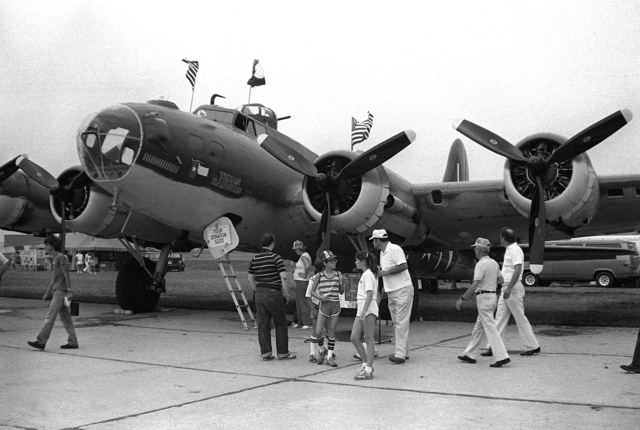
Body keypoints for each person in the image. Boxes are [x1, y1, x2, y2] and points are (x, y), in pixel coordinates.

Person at [483, 227, 540, 357]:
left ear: (503, 238)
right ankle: (494, 347)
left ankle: (532, 346)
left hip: (512, 288)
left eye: (500, 237)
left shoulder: (515, 250)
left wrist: (509, 288)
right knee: (499, 318)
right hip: (507, 288)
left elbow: (518, 269)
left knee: (519, 317)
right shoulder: (510, 250)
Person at [456, 238, 511, 368]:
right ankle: (470, 354)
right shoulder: (494, 263)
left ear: (480, 250)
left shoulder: (480, 264)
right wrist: (491, 282)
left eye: (475, 248)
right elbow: (501, 280)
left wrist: (462, 299)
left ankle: (502, 356)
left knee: (491, 329)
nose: (474, 250)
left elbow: (475, 284)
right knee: (478, 327)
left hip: (484, 297)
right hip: (492, 297)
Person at [247, 233, 296, 361]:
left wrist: (257, 291)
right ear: (272, 243)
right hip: (274, 292)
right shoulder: (276, 258)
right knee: (280, 323)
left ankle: (266, 353)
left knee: (263, 324)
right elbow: (283, 277)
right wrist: (287, 293)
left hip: (260, 293)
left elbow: (250, 279)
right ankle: (282, 352)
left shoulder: (255, 259)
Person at [27, 235, 79, 351]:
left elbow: (66, 274)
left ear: (51, 245)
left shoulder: (60, 257)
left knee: (50, 317)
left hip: (60, 292)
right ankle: (73, 342)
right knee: (66, 319)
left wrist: (69, 291)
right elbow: (54, 278)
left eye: (46, 244)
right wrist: (47, 293)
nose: (45, 246)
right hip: (58, 291)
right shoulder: (55, 258)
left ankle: (41, 341)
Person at [371, 229, 414, 364]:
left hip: (402, 289)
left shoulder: (394, 249)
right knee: (397, 323)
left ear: (378, 240)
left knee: (401, 323)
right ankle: (404, 351)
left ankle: (400, 354)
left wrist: (384, 273)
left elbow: (403, 266)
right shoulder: (382, 253)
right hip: (392, 290)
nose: (373, 242)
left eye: (373, 240)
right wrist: (384, 288)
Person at [310, 250, 344, 367]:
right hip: (324, 305)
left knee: (331, 331)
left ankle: (329, 356)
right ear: (325, 263)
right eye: (332, 260)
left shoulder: (338, 274)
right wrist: (320, 297)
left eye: (335, 260)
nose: (335, 262)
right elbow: (312, 292)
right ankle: (321, 350)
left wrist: (341, 282)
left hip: (335, 305)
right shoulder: (319, 276)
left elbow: (341, 291)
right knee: (318, 331)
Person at [350, 250, 379, 380]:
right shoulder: (366, 274)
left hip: (367, 310)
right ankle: (366, 364)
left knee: (368, 338)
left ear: (362, 262)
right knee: (354, 337)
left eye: (357, 260)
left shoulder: (368, 275)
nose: (355, 262)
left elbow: (369, 294)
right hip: (361, 310)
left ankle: (368, 370)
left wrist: (363, 313)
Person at [292, 240, 313, 329]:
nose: (295, 251)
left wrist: (304, 274)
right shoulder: (303, 256)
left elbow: (307, 266)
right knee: (299, 302)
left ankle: (307, 322)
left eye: (295, 250)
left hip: (302, 281)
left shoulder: (304, 256)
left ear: (298, 249)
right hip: (299, 281)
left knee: (303, 302)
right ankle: (301, 321)